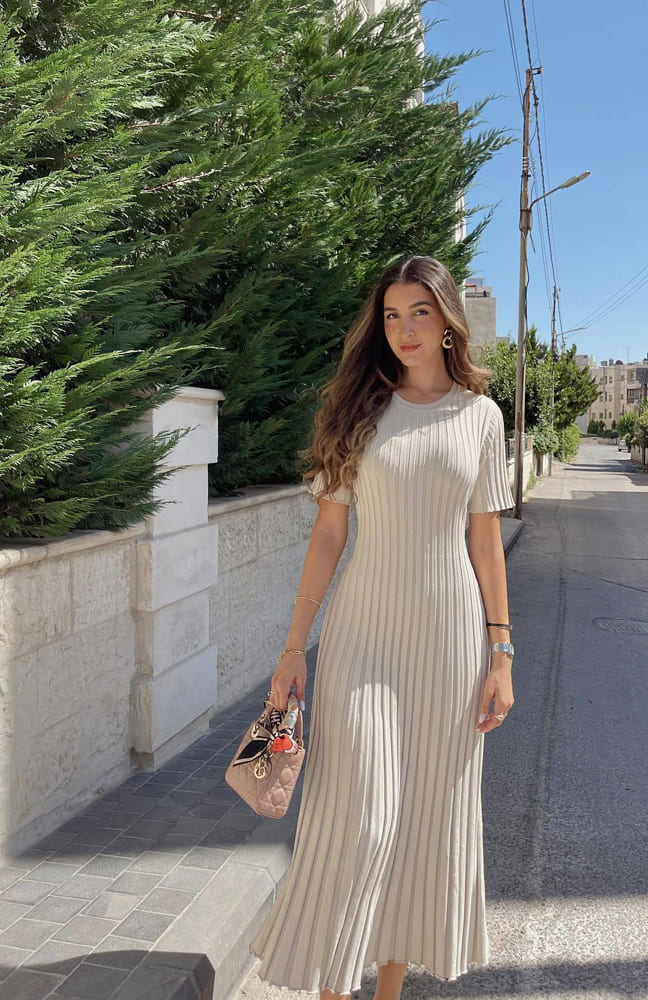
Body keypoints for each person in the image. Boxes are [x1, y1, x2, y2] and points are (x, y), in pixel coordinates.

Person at [249, 254, 515, 1000]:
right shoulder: (358, 410)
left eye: (420, 312)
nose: (405, 329)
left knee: (424, 824)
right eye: (392, 315)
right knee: (361, 820)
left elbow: (486, 540)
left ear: (447, 322)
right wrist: (294, 647)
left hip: (452, 644)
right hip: (363, 639)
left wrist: (501, 653)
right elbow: (329, 535)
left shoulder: (481, 417)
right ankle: (332, 986)